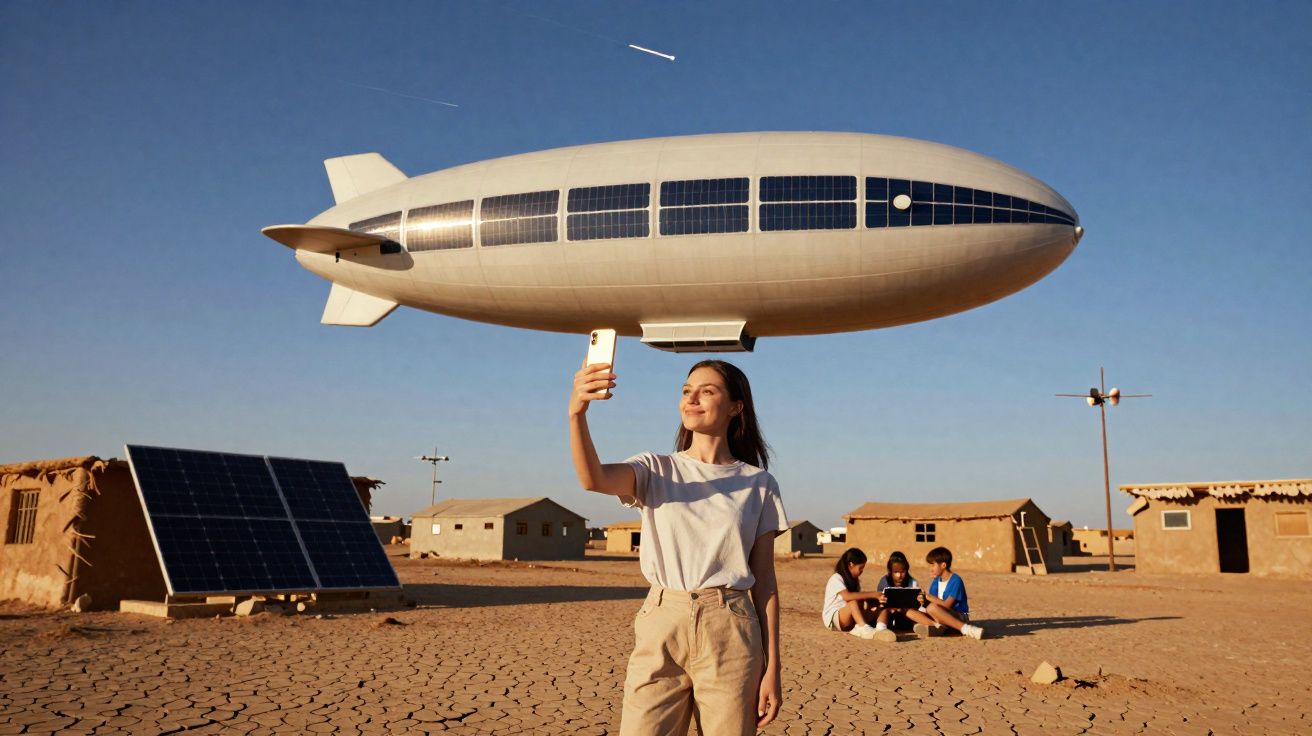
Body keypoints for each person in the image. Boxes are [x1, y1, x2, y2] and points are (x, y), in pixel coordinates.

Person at [569, 358, 789, 735]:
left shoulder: (759, 483)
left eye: (707, 391)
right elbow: (594, 478)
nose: (692, 399)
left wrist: (773, 669)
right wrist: (577, 413)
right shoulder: (654, 469)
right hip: (662, 619)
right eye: (687, 391)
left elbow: (765, 582)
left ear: (737, 407)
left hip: (730, 627)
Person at [821, 548, 897, 642]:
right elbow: (847, 596)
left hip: (851, 619)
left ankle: (881, 629)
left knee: (881, 607)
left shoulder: (852, 581)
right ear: (851, 564)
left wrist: (876, 600)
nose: (862, 571)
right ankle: (863, 628)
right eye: (860, 568)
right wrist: (873, 594)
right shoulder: (836, 578)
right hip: (834, 620)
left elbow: (860, 599)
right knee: (853, 602)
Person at [918, 546, 986, 640]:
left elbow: (946, 605)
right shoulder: (936, 581)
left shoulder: (956, 580)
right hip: (940, 613)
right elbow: (931, 603)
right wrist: (923, 600)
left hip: (958, 615)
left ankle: (966, 629)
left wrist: (929, 597)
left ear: (943, 565)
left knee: (932, 608)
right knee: (914, 610)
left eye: (933, 565)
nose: (930, 568)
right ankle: (940, 627)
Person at [874, 550, 938, 635]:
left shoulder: (912, 582)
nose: (899, 575)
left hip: (905, 617)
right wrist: (884, 604)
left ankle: (935, 626)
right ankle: (881, 630)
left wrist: (920, 600)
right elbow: (878, 601)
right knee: (883, 610)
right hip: (888, 615)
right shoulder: (884, 581)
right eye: (896, 572)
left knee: (909, 612)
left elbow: (917, 606)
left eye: (902, 572)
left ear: (906, 569)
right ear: (890, 571)